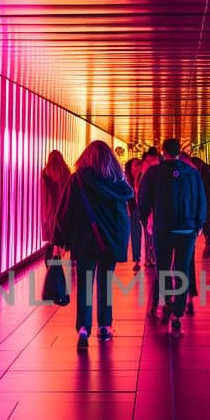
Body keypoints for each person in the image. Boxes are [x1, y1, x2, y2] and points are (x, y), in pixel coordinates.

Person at [55, 141, 134, 348]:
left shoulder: (77, 181)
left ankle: (83, 329)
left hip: (84, 241)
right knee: (105, 283)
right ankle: (105, 327)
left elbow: (64, 212)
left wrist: (60, 240)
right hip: (111, 243)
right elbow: (124, 214)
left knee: (84, 285)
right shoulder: (118, 183)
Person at [138, 138, 207, 334]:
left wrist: (145, 220)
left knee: (163, 266)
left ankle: (166, 300)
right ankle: (178, 313)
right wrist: (199, 223)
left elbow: (143, 200)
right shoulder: (193, 173)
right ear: (180, 151)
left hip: (163, 228)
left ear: (163, 152)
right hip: (187, 229)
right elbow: (201, 198)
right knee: (182, 268)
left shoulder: (153, 173)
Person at [40, 150, 71, 259]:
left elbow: (43, 194)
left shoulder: (45, 174)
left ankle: (51, 263)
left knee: (51, 239)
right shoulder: (66, 173)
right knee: (59, 237)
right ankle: (57, 259)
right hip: (63, 209)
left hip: (49, 210)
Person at [125, 155, 148, 270]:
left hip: (145, 207)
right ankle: (137, 259)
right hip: (133, 208)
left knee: (149, 233)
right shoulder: (127, 179)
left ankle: (150, 257)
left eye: (139, 164)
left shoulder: (143, 176)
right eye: (135, 165)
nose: (137, 167)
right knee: (135, 234)